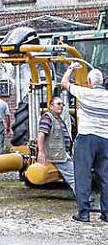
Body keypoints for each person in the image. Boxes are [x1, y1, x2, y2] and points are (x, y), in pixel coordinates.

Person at [61, 63, 108, 223]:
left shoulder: (85, 93)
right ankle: (107, 213)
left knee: (82, 175)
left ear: (89, 81)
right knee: (105, 177)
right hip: (105, 139)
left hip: (87, 137)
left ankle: (84, 213)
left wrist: (70, 69)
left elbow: (64, 84)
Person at [36, 97, 75, 194]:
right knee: (73, 176)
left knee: (74, 175)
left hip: (62, 153)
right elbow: (41, 134)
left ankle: (84, 199)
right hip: (56, 154)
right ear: (51, 106)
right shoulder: (47, 117)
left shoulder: (58, 119)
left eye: (62, 104)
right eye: (58, 104)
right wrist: (41, 152)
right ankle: (85, 200)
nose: (61, 106)